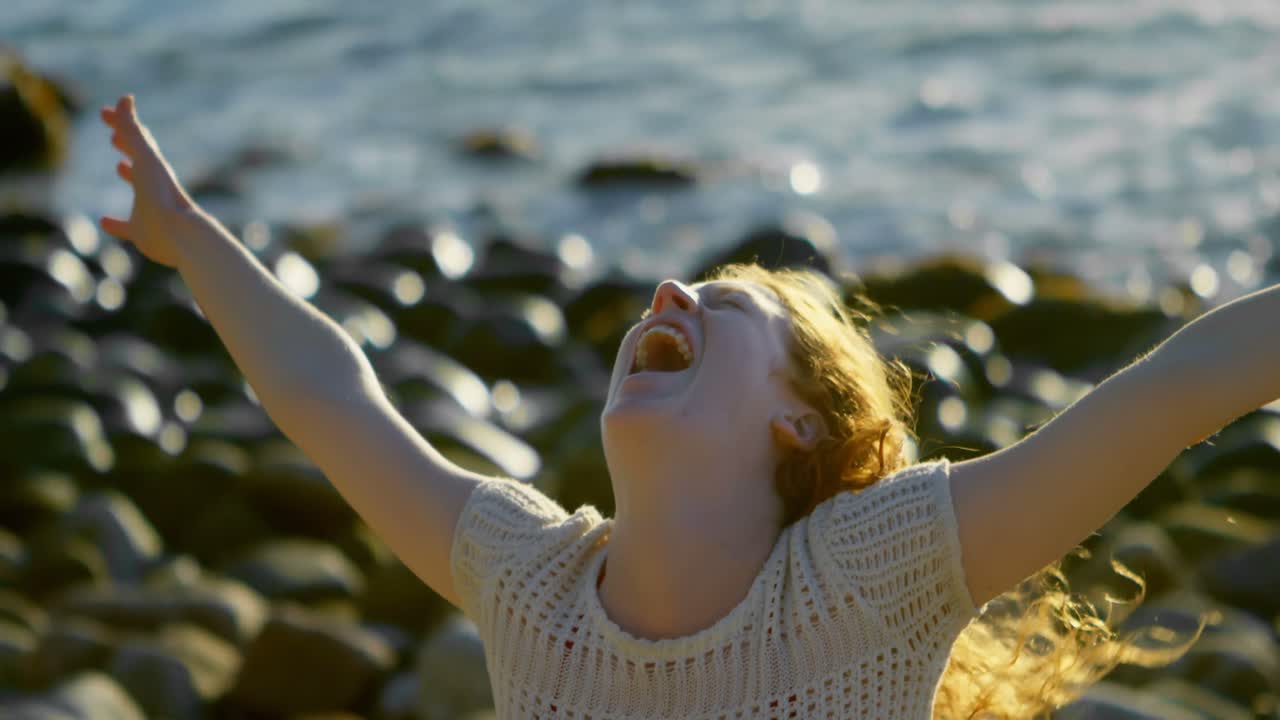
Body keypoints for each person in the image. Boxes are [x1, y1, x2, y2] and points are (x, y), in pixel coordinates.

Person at [99, 93, 1278, 718]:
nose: (666, 294)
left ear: (799, 422)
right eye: (674, 291)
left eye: (721, 306)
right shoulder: (531, 585)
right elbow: (330, 399)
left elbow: (1170, 392)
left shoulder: (872, 573)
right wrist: (189, 239)